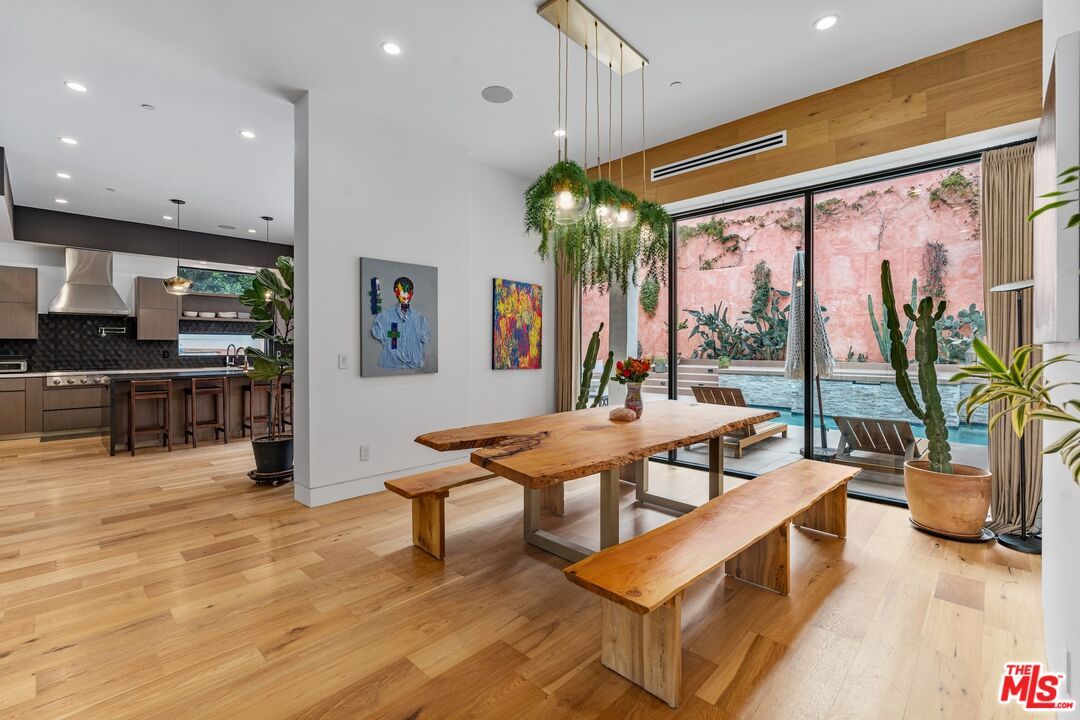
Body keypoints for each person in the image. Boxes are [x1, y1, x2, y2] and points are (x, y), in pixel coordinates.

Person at [371, 276, 432, 370]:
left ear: (412, 293)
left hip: (413, 365)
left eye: (409, 292)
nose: (406, 295)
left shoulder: (420, 320)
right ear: (396, 292)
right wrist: (387, 341)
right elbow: (377, 330)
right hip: (389, 365)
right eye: (403, 291)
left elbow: (425, 336)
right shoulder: (384, 316)